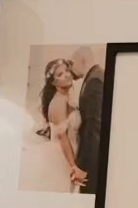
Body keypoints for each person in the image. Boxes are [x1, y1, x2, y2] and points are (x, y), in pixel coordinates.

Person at [38, 58, 86, 189]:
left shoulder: (68, 97)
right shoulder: (58, 103)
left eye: (66, 70)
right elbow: (63, 139)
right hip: (62, 156)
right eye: (60, 74)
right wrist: (73, 167)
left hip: (74, 149)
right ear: (53, 82)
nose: (67, 75)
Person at [71, 46, 105, 194]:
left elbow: (94, 127)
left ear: (82, 60)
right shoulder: (95, 76)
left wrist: (84, 166)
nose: (71, 68)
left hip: (93, 161)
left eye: (72, 63)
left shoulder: (95, 81)